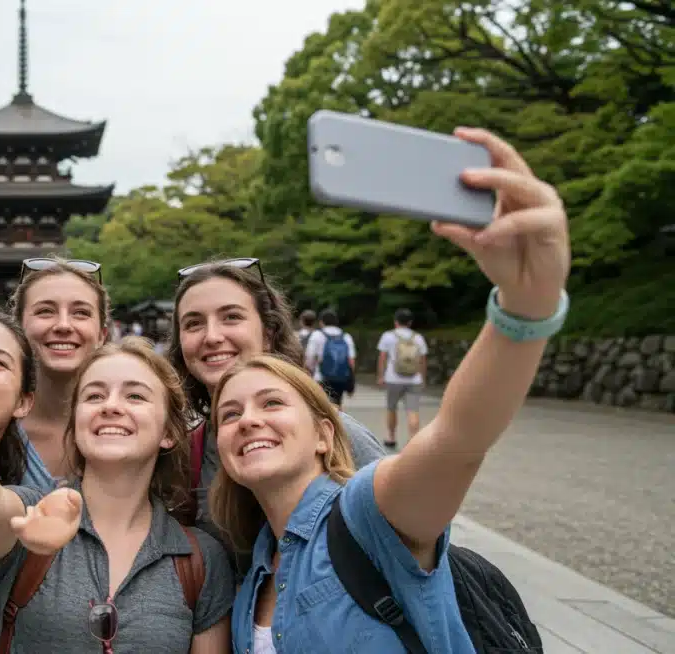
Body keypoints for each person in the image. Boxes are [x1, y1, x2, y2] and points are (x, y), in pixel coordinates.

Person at [213, 126, 570, 652]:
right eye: (229, 413)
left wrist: (526, 306)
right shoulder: (252, 580)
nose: (248, 420)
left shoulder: (370, 516)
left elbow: (459, 437)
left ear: (323, 433)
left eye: (272, 403)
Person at [0, 338, 234, 653]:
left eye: (135, 396)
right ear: (75, 423)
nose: (110, 406)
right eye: (94, 396)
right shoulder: (33, 513)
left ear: (170, 432)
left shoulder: (201, 560)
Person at [166, 258, 386, 536]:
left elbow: (408, 538)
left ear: (268, 333)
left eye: (231, 317)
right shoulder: (189, 452)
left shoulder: (334, 433)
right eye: (193, 323)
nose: (212, 337)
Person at [8, 257, 109, 491]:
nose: (63, 325)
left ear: (102, 335)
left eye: (80, 313)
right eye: (45, 311)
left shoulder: (130, 426)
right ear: (19, 329)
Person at [377, 308, 428, 450]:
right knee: (413, 410)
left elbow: (382, 358)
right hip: (414, 379)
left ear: (395, 322)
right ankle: (413, 441)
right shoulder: (418, 337)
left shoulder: (388, 336)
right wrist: (422, 378)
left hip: (393, 379)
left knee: (391, 409)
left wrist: (381, 376)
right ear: (410, 322)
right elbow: (423, 360)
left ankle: (391, 437)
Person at [304, 309, 357, 407]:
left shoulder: (317, 335)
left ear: (321, 322)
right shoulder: (346, 336)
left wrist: (309, 372)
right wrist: (351, 380)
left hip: (321, 377)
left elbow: (309, 357)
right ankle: (338, 421)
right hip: (341, 377)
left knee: (322, 406)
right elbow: (351, 361)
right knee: (337, 405)